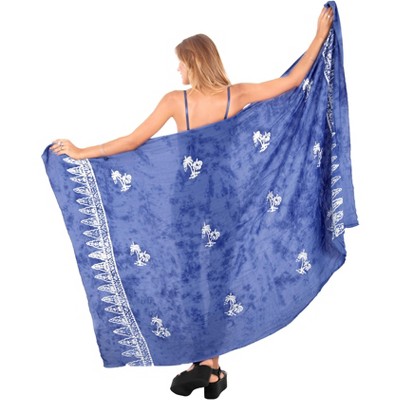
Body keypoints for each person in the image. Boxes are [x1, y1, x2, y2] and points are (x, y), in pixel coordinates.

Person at [50, 6, 333, 399]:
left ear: (195, 62)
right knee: (214, 281)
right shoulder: (237, 95)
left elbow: (133, 141)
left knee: (194, 281)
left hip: (187, 202)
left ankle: (204, 365)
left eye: (181, 63)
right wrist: (318, 37)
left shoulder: (176, 100)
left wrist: (83, 151)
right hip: (225, 201)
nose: (178, 70)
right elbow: (293, 80)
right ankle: (212, 370)